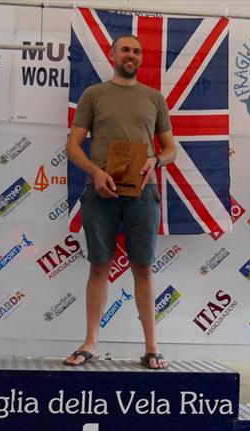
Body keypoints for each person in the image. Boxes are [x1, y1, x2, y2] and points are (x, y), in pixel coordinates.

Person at [64, 34, 176, 369]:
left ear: (141, 59)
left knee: (143, 267)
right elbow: (72, 146)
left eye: (137, 51)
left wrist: (155, 160)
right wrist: (95, 174)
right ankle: (91, 342)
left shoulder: (154, 98)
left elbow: (170, 149)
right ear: (112, 55)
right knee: (99, 265)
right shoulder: (93, 94)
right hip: (99, 193)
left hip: (143, 193)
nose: (131, 55)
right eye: (125, 49)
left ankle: (152, 347)